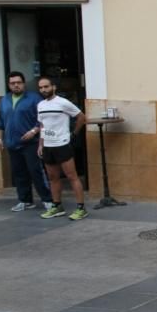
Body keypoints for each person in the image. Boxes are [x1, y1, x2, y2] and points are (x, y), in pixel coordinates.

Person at [0, 72, 52, 212]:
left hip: (31, 143)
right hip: (12, 143)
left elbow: (44, 119)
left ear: (23, 83)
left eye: (18, 82)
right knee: (19, 173)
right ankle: (25, 201)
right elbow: (1, 122)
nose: (16, 85)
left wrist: (34, 131)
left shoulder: (34, 98)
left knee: (36, 172)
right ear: (9, 85)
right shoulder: (4, 100)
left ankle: (47, 200)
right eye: (12, 83)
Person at [36, 76, 88, 220]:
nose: (43, 90)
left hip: (62, 144)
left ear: (53, 87)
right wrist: (40, 144)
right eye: (40, 87)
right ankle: (57, 206)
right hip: (48, 146)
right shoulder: (40, 105)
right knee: (53, 178)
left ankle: (81, 208)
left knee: (72, 177)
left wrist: (73, 134)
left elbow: (81, 117)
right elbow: (42, 126)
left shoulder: (63, 103)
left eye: (46, 86)